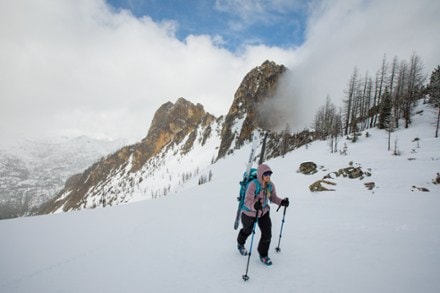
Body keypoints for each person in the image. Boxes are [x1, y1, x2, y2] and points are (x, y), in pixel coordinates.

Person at [237, 163, 289, 266]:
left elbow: (273, 198)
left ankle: (263, 255)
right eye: (266, 174)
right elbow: (247, 201)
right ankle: (240, 244)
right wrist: (254, 206)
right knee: (247, 231)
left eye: (269, 174)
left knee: (267, 233)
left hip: (264, 212)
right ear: (260, 174)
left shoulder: (270, 185)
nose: (268, 176)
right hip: (249, 212)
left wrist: (281, 202)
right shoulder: (253, 185)